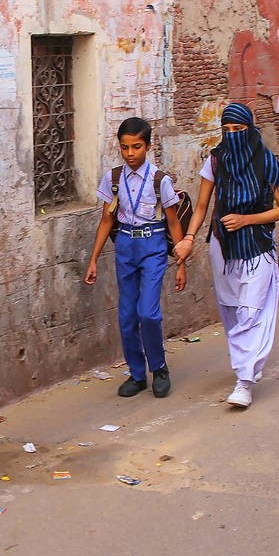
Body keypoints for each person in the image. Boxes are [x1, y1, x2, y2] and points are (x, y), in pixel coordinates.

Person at [173, 102, 279, 408]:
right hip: (223, 247)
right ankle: (245, 363)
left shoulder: (266, 161)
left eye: (238, 130)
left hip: (257, 247)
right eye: (227, 130)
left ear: (250, 129)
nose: (232, 136)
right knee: (231, 310)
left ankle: (244, 381)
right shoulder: (217, 160)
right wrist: (189, 238)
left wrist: (246, 219)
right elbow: (202, 206)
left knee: (250, 312)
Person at [86, 117, 187, 398]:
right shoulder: (114, 179)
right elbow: (106, 221)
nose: (130, 154)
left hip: (153, 245)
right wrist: (94, 259)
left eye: (137, 147)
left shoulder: (160, 181)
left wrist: (181, 263)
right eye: (125, 147)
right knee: (127, 315)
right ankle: (137, 373)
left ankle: (159, 367)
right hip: (125, 248)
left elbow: (174, 223)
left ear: (148, 146)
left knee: (148, 313)